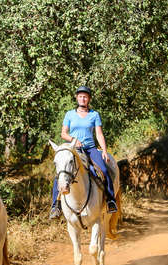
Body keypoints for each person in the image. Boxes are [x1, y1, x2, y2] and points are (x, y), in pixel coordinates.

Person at [49, 86, 117, 219]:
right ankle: (55, 207)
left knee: (103, 169)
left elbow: (99, 134)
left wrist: (103, 150)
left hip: (90, 149)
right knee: (60, 175)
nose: (83, 98)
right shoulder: (69, 114)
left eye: (85, 96)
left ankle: (110, 200)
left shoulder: (94, 114)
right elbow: (63, 133)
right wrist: (74, 140)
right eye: (80, 96)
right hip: (74, 149)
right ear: (77, 98)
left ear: (89, 99)